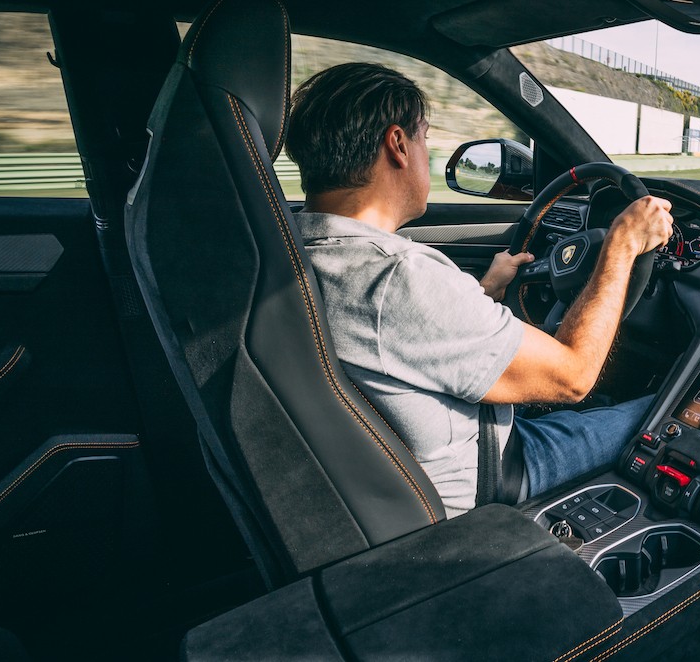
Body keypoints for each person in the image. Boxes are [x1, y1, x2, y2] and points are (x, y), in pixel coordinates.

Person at [285, 62, 674, 517]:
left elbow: (404, 338)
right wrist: (622, 246)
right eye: (424, 138)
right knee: (669, 412)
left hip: (400, 468)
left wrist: (484, 289)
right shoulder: (396, 276)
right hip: (492, 473)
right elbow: (572, 377)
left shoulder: (294, 247)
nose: (424, 151)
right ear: (397, 145)